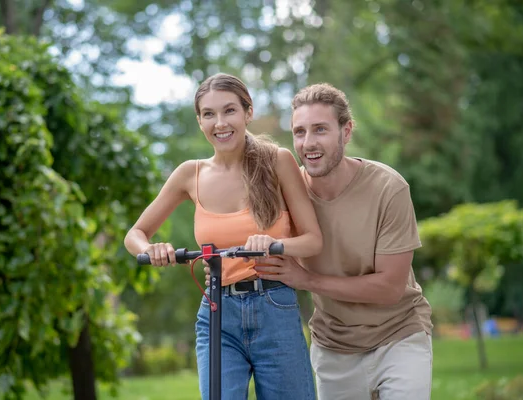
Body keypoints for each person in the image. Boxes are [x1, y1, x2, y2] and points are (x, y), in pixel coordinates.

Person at [207, 83, 433, 399]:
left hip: (398, 338)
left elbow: (390, 287)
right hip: (333, 347)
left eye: (320, 130)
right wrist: (223, 268)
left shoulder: (388, 188)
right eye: (299, 132)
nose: (308, 143)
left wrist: (307, 279)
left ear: (347, 131)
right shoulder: (288, 191)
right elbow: (259, 250)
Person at [124, 73, 322, 399]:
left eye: (229, 111)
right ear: (199, 121)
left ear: (248, 113)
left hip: (275, 308)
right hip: (217, 312)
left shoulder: (278, 162)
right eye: (209, 114)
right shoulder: (191, 173)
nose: (220, 123)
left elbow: (314, 239)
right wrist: (151, 248)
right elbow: (135, 234)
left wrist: (273, 245)